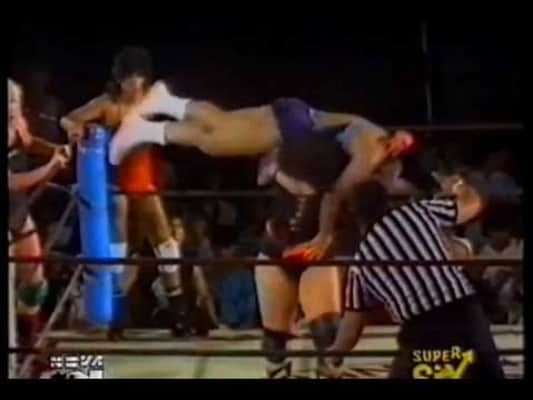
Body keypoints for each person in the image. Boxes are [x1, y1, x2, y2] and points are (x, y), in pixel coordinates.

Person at [107, 82, 416, 261]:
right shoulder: (371, 155)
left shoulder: (374, 133)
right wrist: (324, 235)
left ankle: (164, 103)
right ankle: (149, 125)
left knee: (219, 124)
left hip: (296, 115)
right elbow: (334, 195)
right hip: (293, 129)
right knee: (214, 140)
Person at [60, 47, 187, 338]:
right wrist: (76, 130)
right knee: (118, 240)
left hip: (145, 177)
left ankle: (179, 312)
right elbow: (69, 118)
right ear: (119, 79)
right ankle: (117, 317)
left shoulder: (153, 100)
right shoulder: (108, 104)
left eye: (138, 77)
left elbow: (183, 115)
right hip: (116, 179)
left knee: (164, 239)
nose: (134, 83)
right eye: (129, 77)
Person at [326, 176, 505, 379]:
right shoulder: (418, 212)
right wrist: (458, 187)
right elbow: (472, 205)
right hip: (463, 314)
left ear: (354, 216)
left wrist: (333, 355)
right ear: (386, 200)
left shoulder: (362, 261)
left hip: (423, 331)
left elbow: (351, 327)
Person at [8, 79, 71, 346]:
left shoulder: (17, 123)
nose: (13, 106)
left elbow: (29, 143)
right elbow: (11, 182)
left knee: (35, 283)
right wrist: (50, 168)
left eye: (15, 101)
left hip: (17, 210)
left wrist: (52, 150)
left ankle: (29, 342)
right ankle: (17, 351)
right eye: (10, 101)